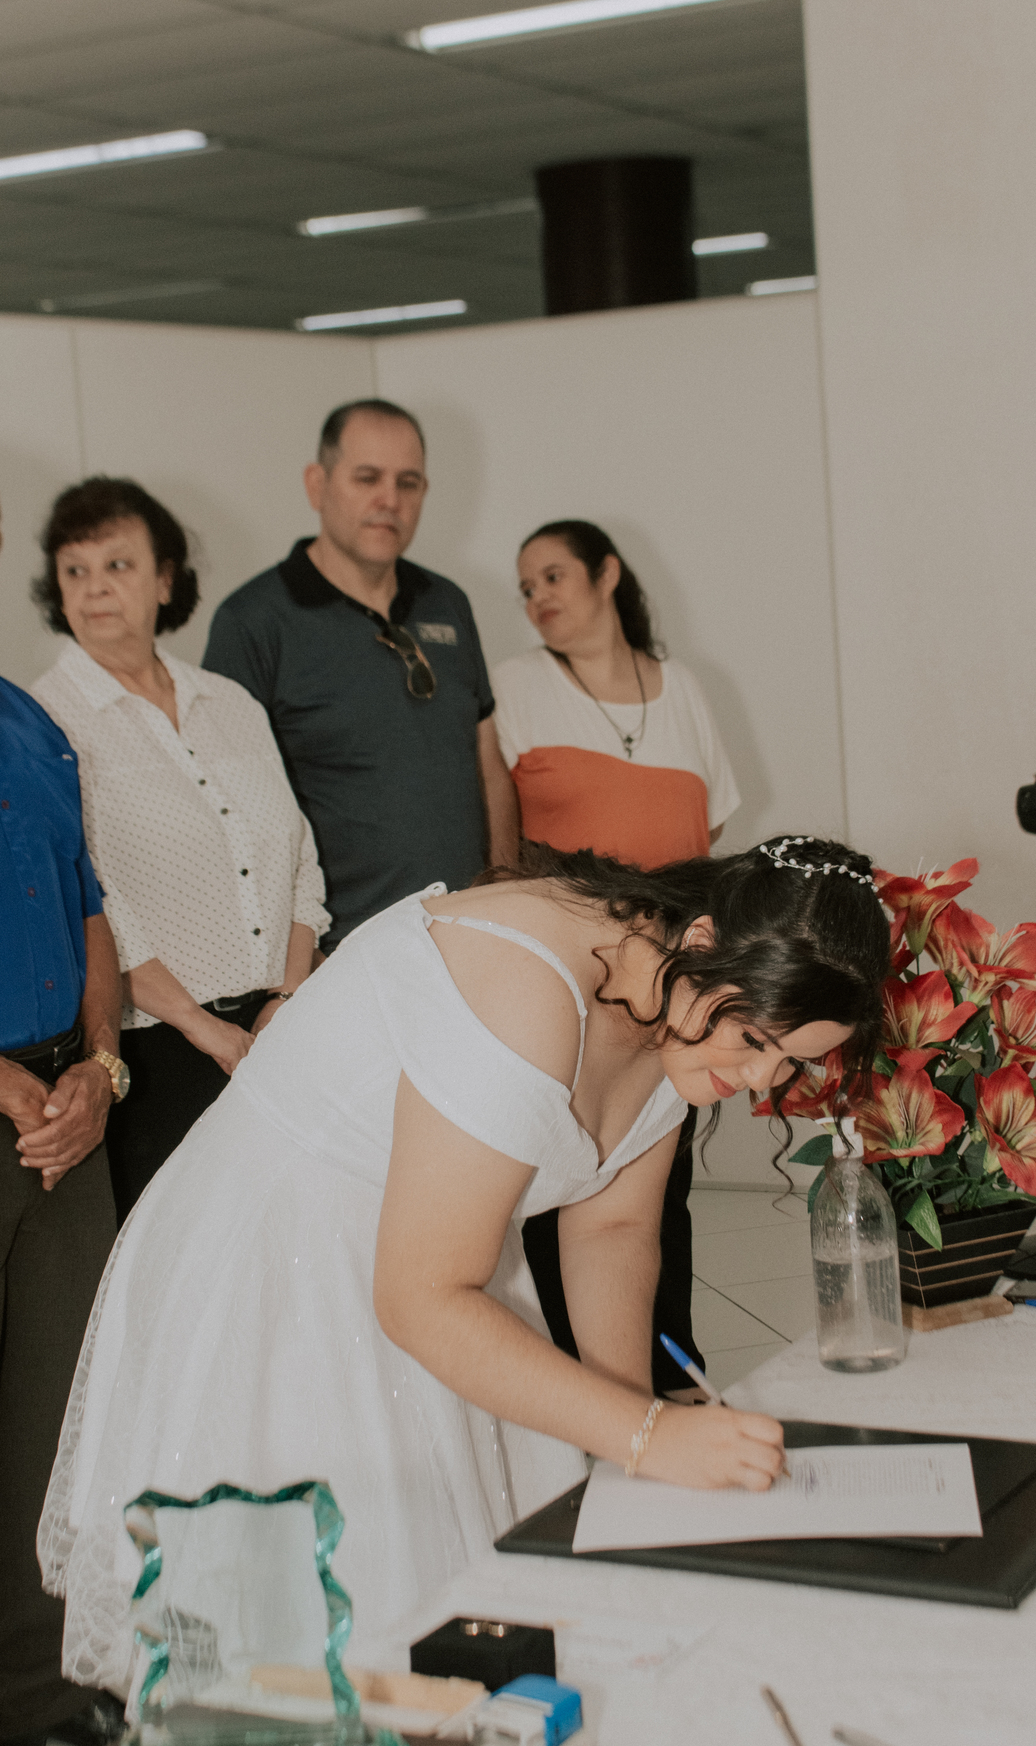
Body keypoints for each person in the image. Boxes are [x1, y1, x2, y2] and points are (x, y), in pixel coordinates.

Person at [39, 837, 889, 1698]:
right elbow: (418, 1300)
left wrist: (629, 1437)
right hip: (286, 1269)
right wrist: (648, 1434)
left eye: (791, 1061)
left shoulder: (679, 993)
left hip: (449, 1259)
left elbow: (614, 1228)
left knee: (460, 1626)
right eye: (754, 1040)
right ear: (703, 940)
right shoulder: (528, 981)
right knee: (313, 1647)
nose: (760, 1079)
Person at [31, 477, 329, 1225]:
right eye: (75, 570)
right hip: (157, 1051)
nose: (95, 587)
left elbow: (298, 857)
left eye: (118, 564)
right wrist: (206, 1030)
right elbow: (92, 898)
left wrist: (287, 1003)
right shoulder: (46, 719)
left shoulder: (231, 702)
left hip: (281, 1030)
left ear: (165, 579)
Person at [495, 520, 741, 1396]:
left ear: (607, 575)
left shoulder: (684, 689)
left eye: (554, 576)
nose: (538, 598)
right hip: (570, 982)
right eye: (526, 587)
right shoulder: (515, 686)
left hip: (676, 979)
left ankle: (669, 1369)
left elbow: (709, 823)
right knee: (557, 1177)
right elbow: (497, 831)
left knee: (659, 1182)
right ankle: (574, 1379)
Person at [202, 398, 519, 949]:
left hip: (469, 936)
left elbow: (488, 768)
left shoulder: (448, 603)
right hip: (340, 951)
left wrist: (508, 903)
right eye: (367, 478)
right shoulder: (253, 621)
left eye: (408, 483)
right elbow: (227, 812)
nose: (389, 500)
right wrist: (295, 964)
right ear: (317, 484)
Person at [0, 501, 125, 1746]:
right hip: (6, 1096)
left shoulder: (27, 719)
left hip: (62, 1114)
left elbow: (89, 908)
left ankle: (42, 1704)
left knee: (54, 1426)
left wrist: (98, 1068)